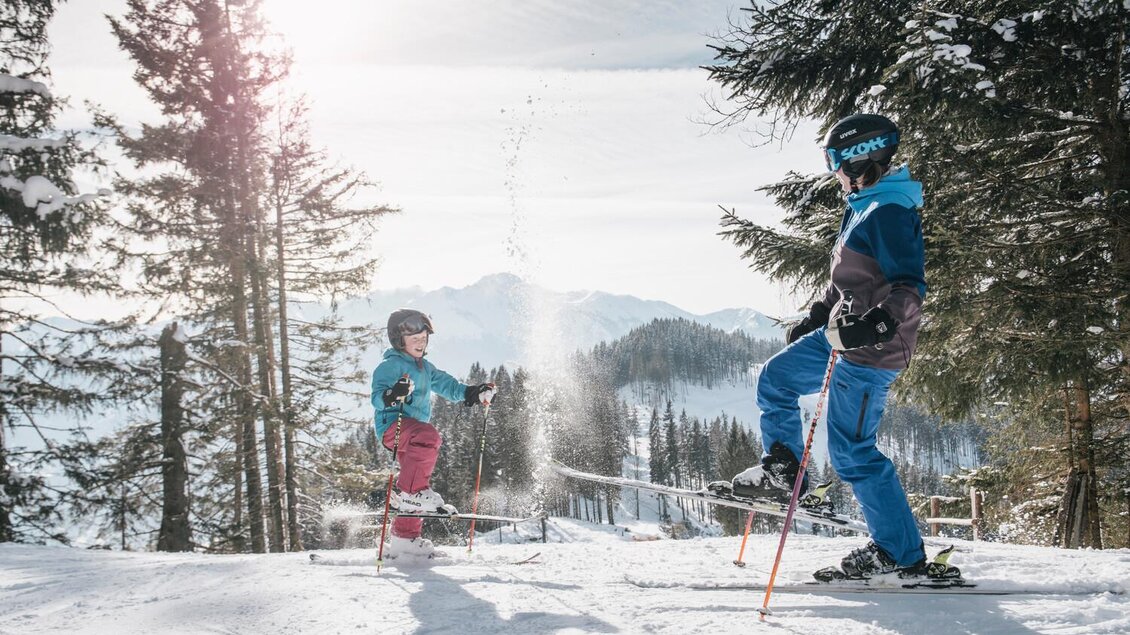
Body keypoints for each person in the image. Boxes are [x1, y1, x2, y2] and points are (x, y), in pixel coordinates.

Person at [731, 113, 928, 578]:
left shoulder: (891, 211)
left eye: (836, 161)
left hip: (872, 349)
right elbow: (846, 280)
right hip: (840, 332)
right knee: (775, 378)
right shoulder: (862, 204)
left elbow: (908, 288)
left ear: (862, 159)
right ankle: (784, 470)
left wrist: (877, 326)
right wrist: (819, 316)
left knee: (852, 451)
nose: (834, 171)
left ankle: (901, 555)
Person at [373, 308, 495, 559]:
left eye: (424, 338)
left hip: (413, 436)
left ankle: (404, 540)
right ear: (399, 340)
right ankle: (411, 495)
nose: (421, 342)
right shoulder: (390, 365)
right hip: (392, 428)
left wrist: (472, 392)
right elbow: (377, 397)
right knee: (429, 439)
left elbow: (448, 386)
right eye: (414, 338)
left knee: (417, 483)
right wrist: (393, 393)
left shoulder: (425, 368)